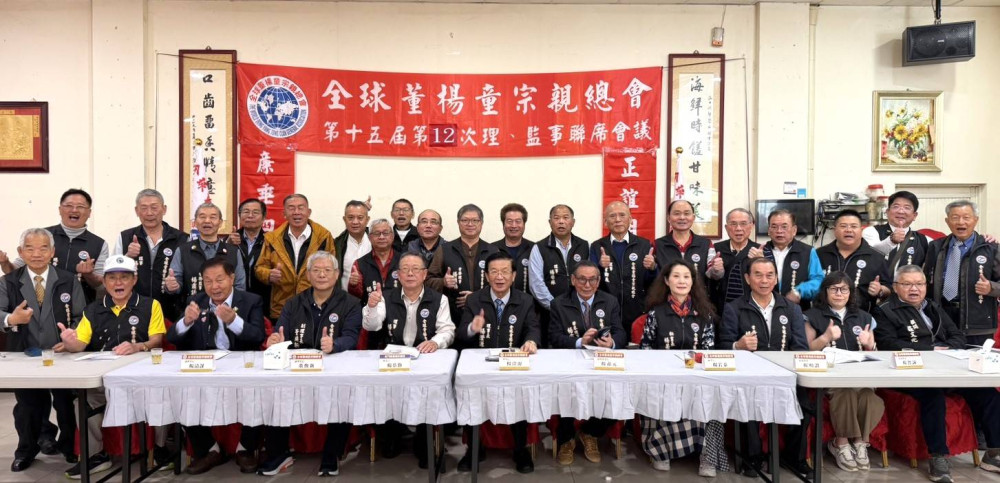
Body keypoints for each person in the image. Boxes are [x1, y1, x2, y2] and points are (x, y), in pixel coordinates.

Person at [873, 265, 1000, 482]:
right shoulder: (885, 311)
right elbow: (888, 344)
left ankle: (994, 452)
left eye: (919, 284)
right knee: (933, 396)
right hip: (910, 374)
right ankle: (938, 457)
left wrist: (946, 350)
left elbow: (957, 336)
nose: (914, 289)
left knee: (988, 394)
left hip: (946, 370)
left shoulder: (932, 306)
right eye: (907, 284)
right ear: (895, 287)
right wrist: (930, 350)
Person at [56, 254, 166, 479]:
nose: (118, 283)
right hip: (104, 379)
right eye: (112, 278)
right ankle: (96, 455)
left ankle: (160, 449)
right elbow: (79, 345)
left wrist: (138, 346)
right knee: (84, 400)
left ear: (134, 280)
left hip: (140, 377)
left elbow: (157, 340)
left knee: (162, 392)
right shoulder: (93, 309)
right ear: (104, 282)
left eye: (124, 277)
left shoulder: (150, 305)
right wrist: (69, 342)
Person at [259, 251, 361, 477]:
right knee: (276, 392)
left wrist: (335, 344)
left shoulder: (351, 303)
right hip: (299, 367)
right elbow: (280, 332)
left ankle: (332, 454)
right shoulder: (294, 303)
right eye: (316, 270)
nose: (322, 275)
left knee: (341, 394)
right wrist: (275, 339)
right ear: (308, 275)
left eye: (327, 270)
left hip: (333, 366)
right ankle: (278, 453)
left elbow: (352, 337)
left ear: (336, 274)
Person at [166, 258, 267, 474]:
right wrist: (186, 321)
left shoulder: (251, 301)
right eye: (208, 281)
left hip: (240, 365)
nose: (214, 286)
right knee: (182, 391)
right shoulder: (196, 300)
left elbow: (258, 336)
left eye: (219, 280)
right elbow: (172, 337)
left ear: (232, 278)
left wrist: (234, 321)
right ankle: (208, 450)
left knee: (258, 390)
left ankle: (246, 449)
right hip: (205, 367)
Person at [0, 228, 85, 472]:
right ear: (20, 252)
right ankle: (26, 450)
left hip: (61, 354)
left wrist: (71, 337)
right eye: (30, 248)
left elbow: (81, 316)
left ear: (52, 252)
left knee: (66, 404)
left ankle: (70, 448)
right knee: (27, 407)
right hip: (24, 353)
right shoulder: (8, 282)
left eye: (43, 248)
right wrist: (11, 319)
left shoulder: (68, 279)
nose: (36, 254)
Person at [718, 257, 812, 477]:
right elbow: (722, 346)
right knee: (747, 401)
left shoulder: (791, 309)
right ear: (747, 278)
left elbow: (800, 347)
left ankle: (794, 457)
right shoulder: (734, 308)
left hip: (785, 376)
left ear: (776, 278)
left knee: (804, 404)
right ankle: (753, 457)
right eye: (758, 275)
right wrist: (738, 346)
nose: (764, 280)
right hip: (749, 376)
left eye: (770, 275)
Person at [362, 252, 455, 466]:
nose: (410, 273)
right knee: (390, 394)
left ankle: (424, 440)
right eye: (405, 269)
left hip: (425, 358)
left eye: (415, 269)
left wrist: (436, 342)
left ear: (424, 274)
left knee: (427, 394)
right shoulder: (385, 296)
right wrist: (372, 306)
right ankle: (392, 435)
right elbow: (372, 326)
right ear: (398, 274)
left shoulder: (439, 299)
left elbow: (447, 329)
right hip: (394, 358)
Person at [640, 260, 728, 477]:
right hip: (664, 379)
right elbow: (645, 348)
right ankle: (661, 452)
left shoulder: (705, 314)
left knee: (712, 397)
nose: (682, 281)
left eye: (686, 277)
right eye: (676, 276)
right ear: (666, 281)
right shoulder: (656, 313)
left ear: (693, 281)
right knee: (657, 393)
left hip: (696, 378)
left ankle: (707, 456)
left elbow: (708, 350)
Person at [456, 252, 540, 473]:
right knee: (472, 396)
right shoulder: (475, 300)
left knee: (519, 397)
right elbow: (461, 334)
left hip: (513, 363)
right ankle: (474, 448)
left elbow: (533, 327)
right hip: (482, 363)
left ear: (514, 276)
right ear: (486, 276)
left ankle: (520, 449)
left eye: (504, 272)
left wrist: (531, 340)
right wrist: (472, 328)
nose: (499, 277)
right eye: (494, 272)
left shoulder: (525, 300)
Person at [803, 272, 883, 473]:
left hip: (860, 377)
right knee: (845, 393)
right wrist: (825, 338)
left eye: (844, 289)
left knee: (870, 397)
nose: (839, 293)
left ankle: (860, 443)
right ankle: (841, 443)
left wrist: (869, 345)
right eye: (834, 289)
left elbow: (874, 354)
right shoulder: (812, 315)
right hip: (830, 378)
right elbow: (805, 351)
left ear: (850, 292)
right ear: (825, 292)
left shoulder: (864, 317)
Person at [548, 261, 625, 465]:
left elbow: (621, 332)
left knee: (619, 394)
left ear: (599, 281)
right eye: (582, 279)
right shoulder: (558, 303)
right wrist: (579, 342)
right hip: (570, 362)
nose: (587, 284)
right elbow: (553, 337)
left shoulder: (610, 301)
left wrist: (612, 343)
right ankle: (566, 440)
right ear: (573, 280)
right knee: (566, 391)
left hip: (602, 362)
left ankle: (590, 432)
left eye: (592, 280)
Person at [2, 189, 109, 305]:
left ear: (89, 212)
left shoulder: (99, 244)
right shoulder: (42, 236)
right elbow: (14, 272)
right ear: (60, 209)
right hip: (39, 304)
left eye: (80, 206)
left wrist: (89, 274)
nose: (74, 210)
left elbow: (102, 285)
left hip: (81, 306)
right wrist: (5, 262)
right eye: (69, 205)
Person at [924, 200, 1000, 347]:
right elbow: (926, 280)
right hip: (942, 319)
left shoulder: (991, 248)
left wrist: (991, 287)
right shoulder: (935, 246)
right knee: (942, 360)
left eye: (966, 217)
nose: (960, 222)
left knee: (976, 360)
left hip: (977, 323)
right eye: (955, 217)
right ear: (947, 221)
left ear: (975, 220)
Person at [254, 194, 336, 320]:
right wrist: (269, 274)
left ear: (308, 212)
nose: (296, 212)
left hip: (315, 306)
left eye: (301, 208)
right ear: (284, 213)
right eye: (291, 208)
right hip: (282, 307)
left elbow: (332, 269)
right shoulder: (272, 239)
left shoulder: (323, 237)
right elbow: (259, 268)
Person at [115, 188, 188, 322]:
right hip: (132, 310)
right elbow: (113, 275)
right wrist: (128, 256)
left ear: (164, 209)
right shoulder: (125, 237)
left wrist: (176, 286)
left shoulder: (182, 239)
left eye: (154, 207)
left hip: (171, 312)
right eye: (144, 208)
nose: (149, 213)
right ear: (136, 211)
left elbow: (189, 276)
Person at [590, 201, 655, 336]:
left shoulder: (644, 245)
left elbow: (651, 282)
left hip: (637, 310)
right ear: (605, 221)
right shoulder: (597, 246)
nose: (618, 219)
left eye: (622, 215)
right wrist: (600, 267)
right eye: (612, 216)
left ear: (630, 219)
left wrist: (652, 268)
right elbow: (590, 281)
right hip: (606, 311)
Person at [426, 204, 499, 324]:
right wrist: (443, 282)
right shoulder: (445, 249)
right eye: (465, 220)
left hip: (485, 313)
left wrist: (476, 297)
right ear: (458, 222)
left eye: (475, 220)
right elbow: (427, 280)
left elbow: (502, 283)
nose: (470, 224)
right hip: (451, 315)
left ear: (481, 223)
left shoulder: (493, 251)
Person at [528, 204, 588, 347]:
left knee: (579, 349)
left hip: (579, 312)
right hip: (549, 313)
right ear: (550, 222)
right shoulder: (539, 248)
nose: (561, 221)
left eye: (565, 217)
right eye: (556, 218)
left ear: (573, 222)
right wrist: (556, 307)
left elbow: (590, 279)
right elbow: (536, 284)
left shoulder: (584, 246)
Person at [816, 210, 890, 313]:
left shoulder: (877, 258)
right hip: (823, 315)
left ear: (861, 230)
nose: (848, 230)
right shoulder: (819, 254)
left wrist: (880, 290)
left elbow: (889, 289)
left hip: (861, 317)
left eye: (854, 226)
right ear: (835, 230)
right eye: (843, 226)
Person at [166, 202, 246, 297]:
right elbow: (176, 283)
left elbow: (240, 286)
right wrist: (172, 286)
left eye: (213, 217)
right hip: (192, 305)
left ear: (220, 223)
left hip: (225, 305)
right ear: (195, 222)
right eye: (202, 217)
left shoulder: (233, 251)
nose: (207, 221)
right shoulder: (183, 250)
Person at [749, 209, 824, 309]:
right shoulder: (760, 251)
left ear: (794, 230)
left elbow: (818, 280)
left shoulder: (807, 251)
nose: (779, 231)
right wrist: (757, 261)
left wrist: (800, 291)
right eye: (774, 227)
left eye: (784, 227)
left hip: (797, 310)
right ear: (769, 230)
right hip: (764, 309)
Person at [350, 219, 402, 348]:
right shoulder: (360, 263)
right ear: (370, 237)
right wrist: (353, 285)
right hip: (371, 319)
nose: (381, 237)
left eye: (385, 233)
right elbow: (356, 297)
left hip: (400, 317)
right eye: (377, 233)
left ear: (392, 236)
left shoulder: (404, 260)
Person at [861, 190, 931, 272]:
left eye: (907, 208)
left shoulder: (924, 240)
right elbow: (871, 254)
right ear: (887, 212)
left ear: (914, 215)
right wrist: (891, 241)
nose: (901, 211)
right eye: (896, 206)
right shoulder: (871, 231)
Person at [708, 208, 760, 314]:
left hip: (751, 310)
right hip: (719, 310)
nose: (738, 228)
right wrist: (714, 270)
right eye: (733, 224)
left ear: (751, 226)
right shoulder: (715, 249)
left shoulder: (760, 251)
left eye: (743, 224)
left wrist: (761, 262)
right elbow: (707, 279)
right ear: (726, 228)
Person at [228, 198, 271, 315]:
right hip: (235, 298)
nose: (250, 216)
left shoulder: (271, 241)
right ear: (239, 216)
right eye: (246, 212)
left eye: (255, 212)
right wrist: (228, 246)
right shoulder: (231, 239)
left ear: (264, 217)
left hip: (264, 298)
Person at [653, 200, 712, 281]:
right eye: (677, 213)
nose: (682, 217)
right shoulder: (657, 244)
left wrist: (717, 270)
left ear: (693, 218)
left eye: (686, 213)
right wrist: (652, 267)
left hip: (698, 289)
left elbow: (713, 275)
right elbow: (651, 276)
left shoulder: (706, 244)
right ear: (669, 218)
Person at [492, 203, 534, 294]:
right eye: (509, 221)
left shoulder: (535, 249)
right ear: (503, 224)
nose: (514, 225)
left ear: (524, 224)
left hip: (529, 301)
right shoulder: (492, 249)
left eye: (518, 221)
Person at [333, 200, 371, 291]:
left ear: (367, 219)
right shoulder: (337, 245)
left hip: (374, 297)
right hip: (345, 297)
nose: (355, 222)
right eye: (350, 217)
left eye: (360, 218)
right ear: (344, 219)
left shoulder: (376, 240)